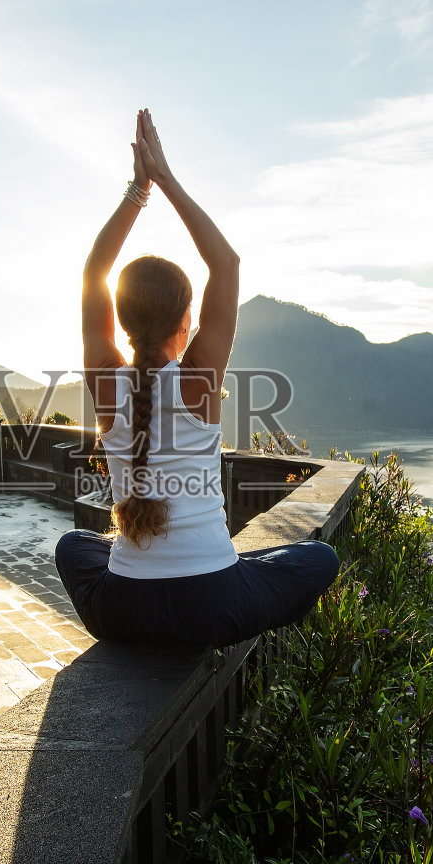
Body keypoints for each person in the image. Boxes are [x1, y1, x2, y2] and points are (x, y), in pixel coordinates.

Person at [53, 110, 340, 648]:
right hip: (213, 606)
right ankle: (228, 559)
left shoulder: (105, 382)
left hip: (123, 612)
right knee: (317, 558)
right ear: (186, 323)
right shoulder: (198, 383)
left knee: (73, 545)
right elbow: (225, 263)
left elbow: (94, 270)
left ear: (123, 320)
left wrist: (137, 192)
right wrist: (164, 177)